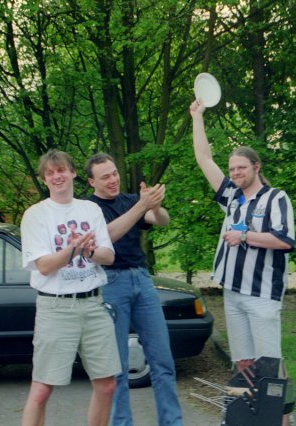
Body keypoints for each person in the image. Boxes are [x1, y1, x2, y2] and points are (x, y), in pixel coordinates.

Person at [189, 99, 295, 374]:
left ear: (256, 167)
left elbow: (284, 240)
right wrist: (197, 117)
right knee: (243, 362)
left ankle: (277, 403)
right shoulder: (232, 196)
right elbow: (204, 159)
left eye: (241, 168)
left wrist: (245, 236)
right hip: (232, 292)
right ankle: (250, 402)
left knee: (268, 364)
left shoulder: (276, 198)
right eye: (232, 168)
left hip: (262, 294)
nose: (236, 173)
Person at [20, 149, 121, 426]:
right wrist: (73, 249)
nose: (57, 176)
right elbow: (44, 266)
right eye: (50, 173)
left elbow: (108, 257)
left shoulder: (90, 210)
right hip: (56, 307)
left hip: (94, 305)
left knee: (107, 385)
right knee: (42, 389)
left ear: (73, 173)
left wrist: (89, 251)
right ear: (45, 179)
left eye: (61, 170)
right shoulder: (35, 215)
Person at [85, 153, 182, 426]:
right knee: (117, 367)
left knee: (163, 361)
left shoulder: (130, 200)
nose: (113, 180)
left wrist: (156, 206)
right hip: (111, 283)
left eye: (115, 173)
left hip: (142, 279)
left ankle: (172, 422)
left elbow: (162, 220)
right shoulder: (88, 209)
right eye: (105, 177)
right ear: (92, 182)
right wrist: (141, 206)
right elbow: (106, 236)